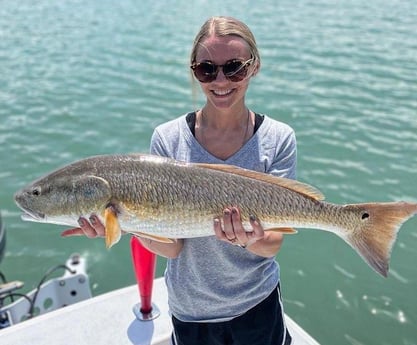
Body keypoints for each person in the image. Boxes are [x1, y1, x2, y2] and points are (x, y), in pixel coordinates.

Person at [63, 16, 296, 345]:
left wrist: (246, 238)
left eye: (234, 68)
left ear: (254, 67)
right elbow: (172, 247)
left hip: (256, 305)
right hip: (191, 311)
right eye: (206, 69)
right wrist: (124, 223)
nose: (220, 80)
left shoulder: (278, 138)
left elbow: (272, 243)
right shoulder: (168, 139)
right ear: (193, 70)